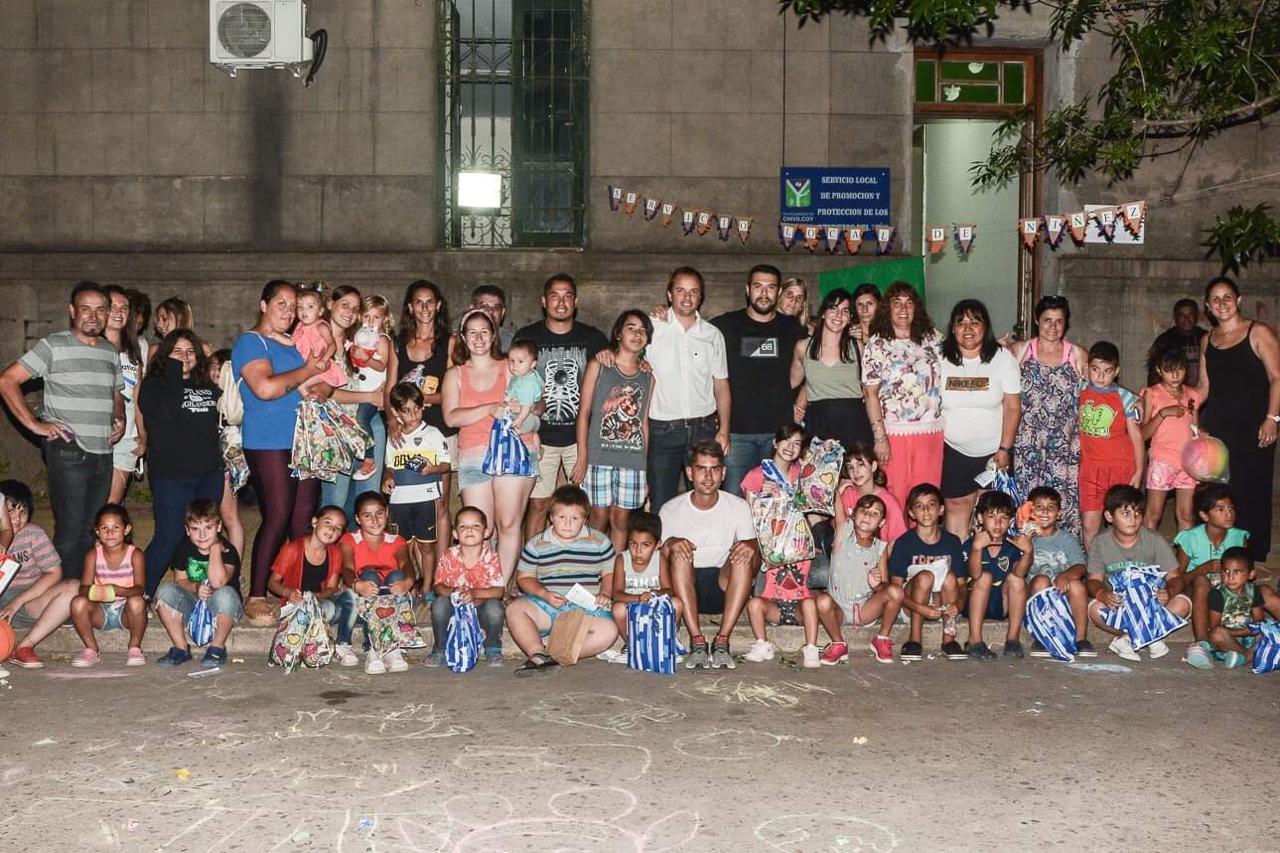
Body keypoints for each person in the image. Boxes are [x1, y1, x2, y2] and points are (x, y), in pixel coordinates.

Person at [0, 281, 125, 579]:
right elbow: (7, 380)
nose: (93, 316)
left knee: (89, 530)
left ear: (107, 313)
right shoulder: (53, 345)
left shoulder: (110, 351)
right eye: (85, 309)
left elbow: (116, 392)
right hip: (69, 451)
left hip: (103, 453)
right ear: (72, 311)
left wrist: (118, 416)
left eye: (100, 310)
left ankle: (78, 596)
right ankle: (63, 598)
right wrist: (35, 424)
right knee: (70, 532)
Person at [232, 280, 329, 625]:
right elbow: (266, 388)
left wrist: (321, 383)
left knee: (303, 519)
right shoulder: (250, 342)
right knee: (277, 514)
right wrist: (307, 371)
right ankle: (256, 593)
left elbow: (312, 380)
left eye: (293, 306)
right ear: (263, 305)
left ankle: (297, 590)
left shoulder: (291, 343)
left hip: (303, 440)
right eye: (281, 304)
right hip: (268, 439)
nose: (289, 312)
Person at [443, 310, 537, 583]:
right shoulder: (455, 374)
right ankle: (480, 583)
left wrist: (529, 422)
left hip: (512, 451)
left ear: (494, 334)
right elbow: (452, 416)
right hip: (473, 454)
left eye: (484, 330)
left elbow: (535, 402)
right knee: (481, 526)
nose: (478, 337)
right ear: (463, 338)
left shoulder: (509, 366)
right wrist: (488, 409)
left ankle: (499, 587)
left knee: (508, 524)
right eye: (471, 332)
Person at [515, 274, 609, 539]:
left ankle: (584, 564)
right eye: (554, 296)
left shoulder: (593, 338)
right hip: (539, 438)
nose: (561, 302)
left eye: (567, 296)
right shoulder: (527, 337)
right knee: (537, 505)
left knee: (586, 508)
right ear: (544, 301)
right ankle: (531, 566)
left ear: (575, 301)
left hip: (579, 439)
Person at [740, 424, 840, 668]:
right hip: (771, 552)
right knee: (760, 598)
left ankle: (816, 637)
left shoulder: (804, 473)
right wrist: (760, 496)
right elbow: (748, 516)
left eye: (797, 443)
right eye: (786, 440)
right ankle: (763, 643)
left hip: (802, 550)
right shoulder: (757, 475)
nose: (790, 447)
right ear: (775, 443)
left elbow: (821, 501)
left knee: (824, 575)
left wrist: (827, 455)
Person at [1197, 275, 1280, 562]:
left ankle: (1250, 552)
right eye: (1215, 299)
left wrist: (1273, 418)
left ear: (1239, 300)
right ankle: (1222, 549)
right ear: (1208, 306)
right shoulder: (1207, 339)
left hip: (1255, 426)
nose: (1222, 304)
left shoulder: (1258, 333)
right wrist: (1189, 416)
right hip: (1219, 427)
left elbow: (1277, 377)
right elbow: (1204, 388)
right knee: (1221, 489)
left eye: (1227, 297)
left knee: (1251, 486)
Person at [660, 439, 760, 670]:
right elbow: (660, 557)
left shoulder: (738, 506)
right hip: (686, 587)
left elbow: (754, 549)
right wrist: (672, 543)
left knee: (744, 551)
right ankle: (697, 640)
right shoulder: (671, 509)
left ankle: (722, 640)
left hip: (725, 587)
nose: (708, 477)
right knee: (677, 550)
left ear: (723, 473)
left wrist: (750, 546)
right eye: (701, 469)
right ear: (689, 472)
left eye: (714, 469)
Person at [139, 330, 224, 597]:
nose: (185, 357)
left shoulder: (207, 384)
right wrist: (175, 371)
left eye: (190, 352)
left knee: (205, 537)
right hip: (172, 476)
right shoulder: (154, 386)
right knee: (170, 536)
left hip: (209, 474)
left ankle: (199, 592)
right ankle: (140, 593)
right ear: (165, 356)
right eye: (177, 352)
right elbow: (166, 411)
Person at [711, 265, 807, 497]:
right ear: (747, 290)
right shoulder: (726, 325)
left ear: (778, 292)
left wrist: (801, 400)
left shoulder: (792, 327)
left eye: (770, 287)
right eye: (758, 287)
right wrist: (665, 315)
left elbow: (814, 363)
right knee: (734, 499)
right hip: (736, 433)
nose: (764, 293)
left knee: (776, 502)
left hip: (778, 436)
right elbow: (691, 330)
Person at [640, 267, 730, 510]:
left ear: (701, 297)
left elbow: (721, 384)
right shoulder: (650, 329)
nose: (687, 297)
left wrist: (724, 431)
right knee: (662, 502)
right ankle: (664, 547)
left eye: (694, 292)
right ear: (669, 295)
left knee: (706, 501)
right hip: (662, 430)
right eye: (680, 290)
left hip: (704, 429)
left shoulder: (712, 335)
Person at [507, 485, 618, 676]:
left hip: (586, 609)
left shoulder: (599, 542)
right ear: (551, 517)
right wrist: (544, 594)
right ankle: (536, 652)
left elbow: (610, 572)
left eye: (574, 519)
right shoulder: (537, 543)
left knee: (608, 631)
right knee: (514, 609)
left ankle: (555, 655)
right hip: (549, 606)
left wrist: (606, 593)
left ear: (584, 519)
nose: (567, 524)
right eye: (561, 518)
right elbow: (524, 578)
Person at [571, 309, 655, 554]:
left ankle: (614, 573)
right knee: (598, 517)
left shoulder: (648, 376)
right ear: (618, 333)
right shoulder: (599, 364)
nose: (637, 334)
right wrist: (583, 457)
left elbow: (644, 422)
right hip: (599, 457)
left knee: (621, 520)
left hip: (631, 459)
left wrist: (645, 465)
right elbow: (584, 413)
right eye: (631, 328)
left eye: (643, 331)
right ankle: (593, 568)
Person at [938, 299, 1022, 538]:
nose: (968, 328)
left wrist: (1005, 449)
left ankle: (991, 571)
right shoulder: (939, 358)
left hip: (994, 452)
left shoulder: (1003, 359)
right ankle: (959, 570)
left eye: (975, 322)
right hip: (953, 450)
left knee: (994, 513)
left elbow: (1013, 407)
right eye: (961, 322)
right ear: (952, 328)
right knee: (957, 506)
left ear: (986, 327)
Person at [1010, 295, 1089, 539]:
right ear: (1036, 320)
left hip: (1064, 445)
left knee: (1062, 497)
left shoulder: (1077, 354)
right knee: (1028, 497)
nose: (1052, 327)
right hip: (1028, 441)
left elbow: (1097, 390)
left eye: (1059, 321)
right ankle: (1025, 553)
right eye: (1047, 320)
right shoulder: (1020, 351)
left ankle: (1064, 555)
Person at [860, 282, 944, 508]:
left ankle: (923, 544)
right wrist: (880, 438)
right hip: (893, 436)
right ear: (888, 308)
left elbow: (962, 355)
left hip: (931, 433)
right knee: (895, 499)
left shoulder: (931, 338)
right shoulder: (877, 344)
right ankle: (896, 544)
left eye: (909, 303)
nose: (904, 309)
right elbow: (870, 394)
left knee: (927, 500)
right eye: (897, 303)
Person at [1085, 485, 1189, 662]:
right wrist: (1102, 593)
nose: (1133, 519)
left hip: (1152, 604)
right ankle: (1150, 635)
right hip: (1122, 604)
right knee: (1095, 609)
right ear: (1109, 516)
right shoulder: (1100, 543)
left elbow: (1175, 577)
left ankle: (1128, 638)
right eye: (1125, 513)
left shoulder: (1154, 539)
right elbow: (1093, 580)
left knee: (1183, 604)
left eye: (1138, 513)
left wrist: (1169, 592)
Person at [387, 280, 455, 549]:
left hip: (439, 429)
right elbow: (390, 386)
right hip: (404, 431)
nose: (424, 307)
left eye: (430, 301)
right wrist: (393, 418)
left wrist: (419, 399)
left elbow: (452, 392)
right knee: (406, 503)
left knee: (439, 504)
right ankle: (411, 573)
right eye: (419, 302)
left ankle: (441, 572)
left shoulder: (450, 343)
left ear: (438, 305)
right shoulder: (398, 344)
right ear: (410, 307)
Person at [316, 286, 383, 518]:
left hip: (369, 422)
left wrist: (383, 392)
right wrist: (371, 396)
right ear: (329, 304)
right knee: (335, 504)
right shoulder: (316, 340)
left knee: (369, 501)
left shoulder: (356, 340)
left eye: (356, 309)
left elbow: (380, 370)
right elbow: (323, 391)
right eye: (345, 305)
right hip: (335, 428)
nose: (351, 312)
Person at [153, 500, 243, 669]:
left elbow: (218, 582)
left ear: (218, 527)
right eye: (195, 529)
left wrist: (215, 549)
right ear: (187, 530)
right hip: (194, 605)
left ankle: (217, 647)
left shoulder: (228, 550)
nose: (202, 535)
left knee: (226, 594)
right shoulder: (183, 548)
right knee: (164, 591)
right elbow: (179, 580)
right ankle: (181, 648)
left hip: (222, 608)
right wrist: (195, 587)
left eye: (208, 528)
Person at [267, 505, 360, 667]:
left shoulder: (335, 553)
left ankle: (343, 644)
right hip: (296, 606)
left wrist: (315, 597)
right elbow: (272, 582)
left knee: (352, 597)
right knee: (330, 610)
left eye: (338, 528)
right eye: (328, 523)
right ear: (315, 521)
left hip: (321, 602)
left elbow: (331, 588)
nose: (331, 530)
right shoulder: (292, 549)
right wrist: (288, 592)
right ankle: (309, 642)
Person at [0, 480, 77, 669]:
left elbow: (53, 573)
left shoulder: (34, 535)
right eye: (10, 512)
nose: (17, 519)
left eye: (23, 512)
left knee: (74, 587)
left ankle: (25, 647)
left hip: (30, 598)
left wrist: (17, 601)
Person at [381, 383, 450, 592]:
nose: (414, 414)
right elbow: (389, 466)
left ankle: (428, 585)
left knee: (427, 545)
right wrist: (388, 478)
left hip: (425, 497)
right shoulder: (394, 437)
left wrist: (432, 469)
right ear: (395, 412)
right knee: (403, 546)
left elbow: (447, 465)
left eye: (417, 408)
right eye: (407, 410)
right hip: (400, 499)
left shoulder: (433, 433)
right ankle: (408, 583)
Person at [1173, 483, 1250, 667]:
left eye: (1231, 508)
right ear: (1204, 515)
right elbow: (1176, 580)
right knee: (1201, 581)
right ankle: (1202, 642)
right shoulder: (1190, 538)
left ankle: (1236, 649)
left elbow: (1246, 575)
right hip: (1199, 594)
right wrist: (1203, 569)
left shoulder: (1239, 537)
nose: (1229, 513)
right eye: (1220, 509)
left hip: (1227, 596)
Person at [1015, 486, 1095, 658]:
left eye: (1051, 507)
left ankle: (1080, 638)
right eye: (1038, 507)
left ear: (1059, 514)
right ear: (1029, 509)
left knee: (1077, 585)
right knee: (1041, 580)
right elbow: (1017, 574)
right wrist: (1024, 539)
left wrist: (1065, 575)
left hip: (1062, 595)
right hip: (1034, 595)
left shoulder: (1066, 538)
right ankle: (1041, 636)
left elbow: (1080, 566)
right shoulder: (1023, 538)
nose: (1044, 511)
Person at [1078, 341, 1144, 548]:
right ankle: (1094, 573)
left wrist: (1139, 470)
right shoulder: (1078, 391)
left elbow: (1137, 438)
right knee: (1090, 525)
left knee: (1123, 524)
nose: (1100, 376)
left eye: (1107, 371)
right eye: (1095, 369)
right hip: (1090, 470)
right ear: (1087, 368)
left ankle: (1123, 568)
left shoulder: (1126, 398)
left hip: (1120, 469)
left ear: (1116, 371)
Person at [340, 492, 415, 675]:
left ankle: (392, 648)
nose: (374, 520)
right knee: (370, 576)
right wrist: (357, 585)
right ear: (358, 519)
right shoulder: (350, 539)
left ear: (387, 512)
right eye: (367, 516)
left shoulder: (396, 540)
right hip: (362, 599)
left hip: (390, 599)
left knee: (397, 575)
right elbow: (347, 569)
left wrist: (408, 582)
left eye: (379, 513)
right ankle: (372, 648)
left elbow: (406, 565)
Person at [789, 288, 872, 452]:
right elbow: (791, 383)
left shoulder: (858, 347)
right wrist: (792, 408)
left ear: (850, 318)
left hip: (854, 423)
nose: (839, 315)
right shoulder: (803, 347)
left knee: (854, 476)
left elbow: (871, 389)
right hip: (819, 423)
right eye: (833, 308)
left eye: (845, 311)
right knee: (819, 477)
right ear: (823, 313)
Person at [826, 492, 905, 663]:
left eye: (875, 513)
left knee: (896, 592)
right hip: (838, 607)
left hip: (863, 610)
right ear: (854, 515)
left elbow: (884, 585)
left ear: (882, 523)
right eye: (863, 510)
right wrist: (837, 485)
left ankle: (882, 638)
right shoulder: (843, 535)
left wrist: (877, 586)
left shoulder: (880, 548)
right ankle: (838, 643)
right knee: (822, 602)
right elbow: (838, 509)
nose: (868, 515)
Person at [889, 483, 963, 661]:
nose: (926, 511)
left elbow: (961, 584)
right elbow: (895, 589)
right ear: (912, 513)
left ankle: (949, 639)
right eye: (919, 506)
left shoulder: (952, 542)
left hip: (940, 604)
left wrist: (958, 604)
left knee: (951, 576)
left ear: (941, 509)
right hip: (911, 605)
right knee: (925, 576)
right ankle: (914, 639)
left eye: (931, 504)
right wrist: (920, 608)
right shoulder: (904, 543)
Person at [68, 504, 147, 667]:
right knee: (77, 602)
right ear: (97, 531)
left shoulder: (135, 554)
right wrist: (97, 592)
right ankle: (91, 649)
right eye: (104, 528)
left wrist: (119, 591)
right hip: (100, 611)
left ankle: (134, 646)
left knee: (138, 601)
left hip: (126, 611)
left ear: (126, 529)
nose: (110, 532)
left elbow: (140, 588)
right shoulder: (93, 555)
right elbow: (82, 588)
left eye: (115, 527)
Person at [600, 510, 683, 664]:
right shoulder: (622, 559)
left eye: (646, 545)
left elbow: (669, 589)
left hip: (654, 609)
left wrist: (655, 594)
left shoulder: (660, 559)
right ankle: (632, 644)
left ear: (657, 545)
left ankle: (667, 640)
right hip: (633, 609)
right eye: (633, 544)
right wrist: (638, 598)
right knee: (617, 608)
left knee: (677, 603)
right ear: (627, 543)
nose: (638, 551)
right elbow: (616, 594)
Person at [430, 505, 507, 668]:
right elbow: (437, 586)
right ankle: (439, 649)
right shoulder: (449, 555)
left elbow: (499, 591)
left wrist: (474, 593)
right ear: (455, 534)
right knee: (439, 604)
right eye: (463, 526)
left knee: (495, 607)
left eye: (476, 526)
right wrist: (452, 591)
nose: (469, 530)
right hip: (455, 611)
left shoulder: (491, 557)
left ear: (486, 532)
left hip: (480, 610)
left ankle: (493, 648)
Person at [958, 491, 1031, 661]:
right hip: (973, 604)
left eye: (1004, 518)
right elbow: (975, 575)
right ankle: (974, 640)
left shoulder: (1012, 545)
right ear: (980, 518)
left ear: (1010, 521)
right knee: (984, 577)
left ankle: (1013, 639)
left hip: (1001, 604)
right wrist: (977, 549)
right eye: (991, 516)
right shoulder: (972, 544)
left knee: (1017, 580)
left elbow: (1020, 573)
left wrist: (1028, 552)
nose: (997, 523)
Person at [1140, 347, 1200, 531]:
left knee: (1186, 515)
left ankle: (1185, 558)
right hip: (1162, 460)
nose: (1175, 375)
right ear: (1159, 370)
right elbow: (1142, 434)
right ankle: (1145, 557)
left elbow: (1194, 429)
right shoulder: (1151, 393)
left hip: (1187, 462)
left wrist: (1201, 437)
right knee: (1154, 514)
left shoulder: (1192, 395)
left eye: (1180, 369)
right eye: (1168, 370)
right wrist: (1163, 414)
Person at [103, 285, 146, 503]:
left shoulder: (133, 351)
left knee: (111, 505)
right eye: (113, 307)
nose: (120, 312)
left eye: (125, 308)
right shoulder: (92, 346)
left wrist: (143, 431)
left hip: (126, 436)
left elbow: (138, 396)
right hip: (95, 435)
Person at [350, 294, 395, 482]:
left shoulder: (382, 340)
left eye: (375, 317)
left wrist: (367, 358)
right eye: (366, 316)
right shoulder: (359, 338)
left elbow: (383, 365)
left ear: (384, 319)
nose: (370, 321)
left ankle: (369, 459)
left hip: (372, 393)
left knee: (361, 419)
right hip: (358, 390)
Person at [207, 347, 245, 560]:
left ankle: (236, 565)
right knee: (208, 516)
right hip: (204, 462)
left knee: (229, 516)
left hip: (225, 464)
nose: (215, 373)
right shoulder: (204, 391)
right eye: (212, 367)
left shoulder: (234, 397)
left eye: (220, 368)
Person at [1204, 547, 1266, 669]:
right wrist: (1239, 632)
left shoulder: (1254, 591)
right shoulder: (1217, 594)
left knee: (1267, 628)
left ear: (1251, 574)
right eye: (1226, 571)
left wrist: (1251, 631)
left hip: (1248, 637)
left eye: (1237, 572)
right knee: (1217, 634)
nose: (1230, 577)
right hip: (1227, 640)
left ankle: (1242, 658)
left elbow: (1259, 620)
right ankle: (1249, 656)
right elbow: (1215, 626)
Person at [834, 443, 907, 544]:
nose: (856, 471)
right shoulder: (846, 494)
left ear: (873, 466)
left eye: (860, 465)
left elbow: (897, 540)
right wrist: (838, 492)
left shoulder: (889, 501)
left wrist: (883, 559)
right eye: (850, 467)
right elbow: (837, 528)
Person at [293, 282, 348, 397]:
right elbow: (291, 342)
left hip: (322, 368)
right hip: (304, 365)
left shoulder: (321, 326)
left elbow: (332, 345)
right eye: (300, 307)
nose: (304, 311)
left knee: (298, 384)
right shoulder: (299, 326)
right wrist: (277, 337)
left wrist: (324, 359)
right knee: (296, 383)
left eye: (310, 307)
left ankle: (311, 407)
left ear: (321, 311)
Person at [1146, 298, 1205, 387]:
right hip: (1173, 395)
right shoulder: (1164, 340)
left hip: (1203, 395)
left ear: (1196, 316)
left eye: (1190, 314)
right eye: (1182, 315)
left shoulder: (1206, 337)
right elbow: (1153, 374)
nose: (1186, 319)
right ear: (1175, 317)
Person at [503, 340, 545, 457]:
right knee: (533, 433)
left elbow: (526, 406)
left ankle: (536, 450)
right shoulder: (520, 376)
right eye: (512, 361)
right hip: (526, 414)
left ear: (532, 364)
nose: (514, 365)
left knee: (513, 430)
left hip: (528, 416)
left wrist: (519, 420)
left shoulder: (529, 383)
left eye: (520, 361)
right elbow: (511, 392)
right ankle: (538, 449)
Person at [471, 283, 515, 351]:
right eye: (484, 307)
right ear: (472, 309)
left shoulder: (513, 344)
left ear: (502, 313)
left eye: (496, 308)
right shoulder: (457, 343)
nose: (490, 312)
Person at [850, 283, 881, 355]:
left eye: (870, 303)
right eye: (860, 304)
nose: (865, 309)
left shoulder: (887, 334)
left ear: (879, 305)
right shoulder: (849, 335)